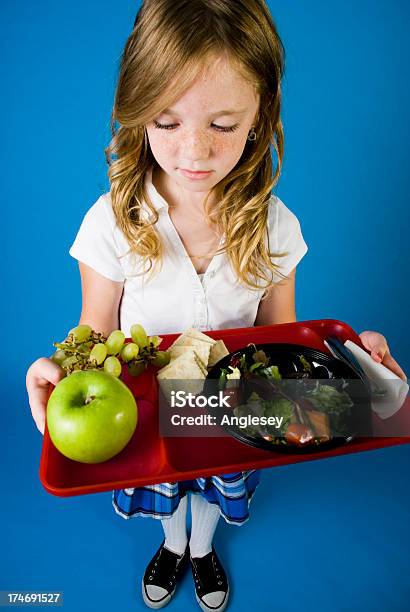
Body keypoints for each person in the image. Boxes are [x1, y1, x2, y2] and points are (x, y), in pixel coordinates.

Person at [25, 1, 407, 610]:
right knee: (167, 498)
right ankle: (173, 544)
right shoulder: (111, 223)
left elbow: (286, 338)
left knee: (215, 493)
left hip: (237, 413)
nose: (193, 152)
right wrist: (56, 370)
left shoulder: (277, 228)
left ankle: (201, 550)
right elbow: (94, 336)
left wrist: (355, 364)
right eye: (166, 122)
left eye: (223, 125)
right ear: (137, 111)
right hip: (146, 417)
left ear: (261, 117)